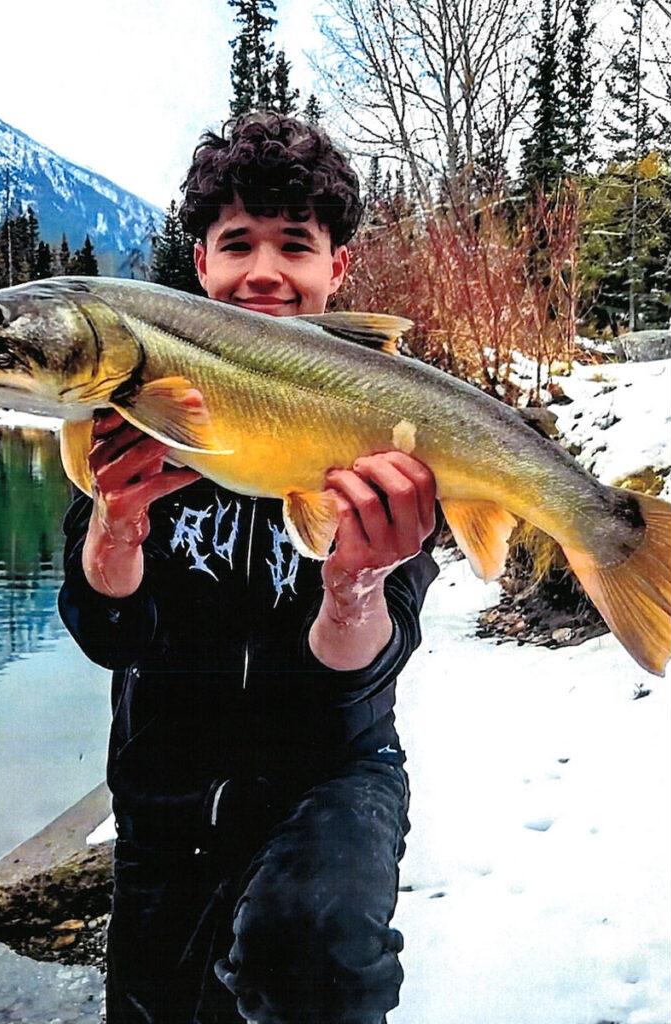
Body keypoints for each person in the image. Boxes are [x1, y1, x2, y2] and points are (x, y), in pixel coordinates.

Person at [58, 111, 438, 1024]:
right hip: (165, 797)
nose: (264, 270)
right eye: (237, 243)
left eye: (295, 245)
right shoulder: (128, 407)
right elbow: (109, 633)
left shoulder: (387, 416)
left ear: (336, 268)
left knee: (312, 947)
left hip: (330, 777)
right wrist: (115, 529)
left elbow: (355, 681)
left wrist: (355, 585)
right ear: (200, 263)